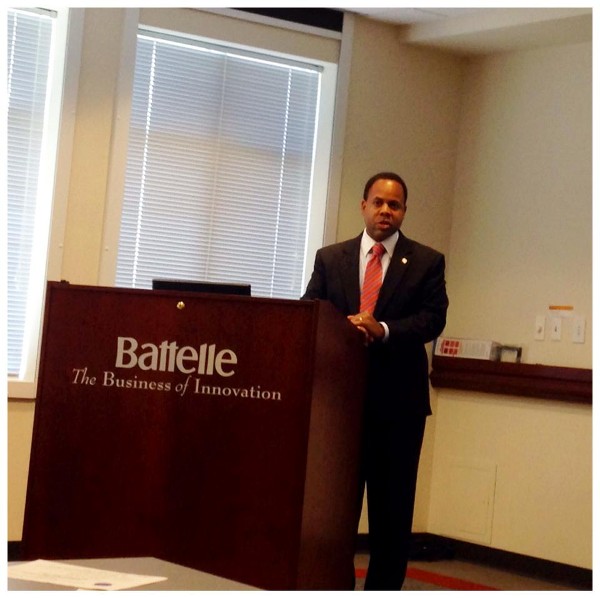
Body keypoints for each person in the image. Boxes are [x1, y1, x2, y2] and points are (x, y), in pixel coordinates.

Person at [302, 172, 449, 590]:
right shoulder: (331, 258)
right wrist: (340, 327)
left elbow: (432, 320)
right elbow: (309, 310)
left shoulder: (425, 262)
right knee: (334, 516)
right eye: (379, 202)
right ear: (363, 205)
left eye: (395, 205)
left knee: (392, 516)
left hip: (398, 409)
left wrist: (381, 328)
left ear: (403, 211)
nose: (386, 211)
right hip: (339, 408)